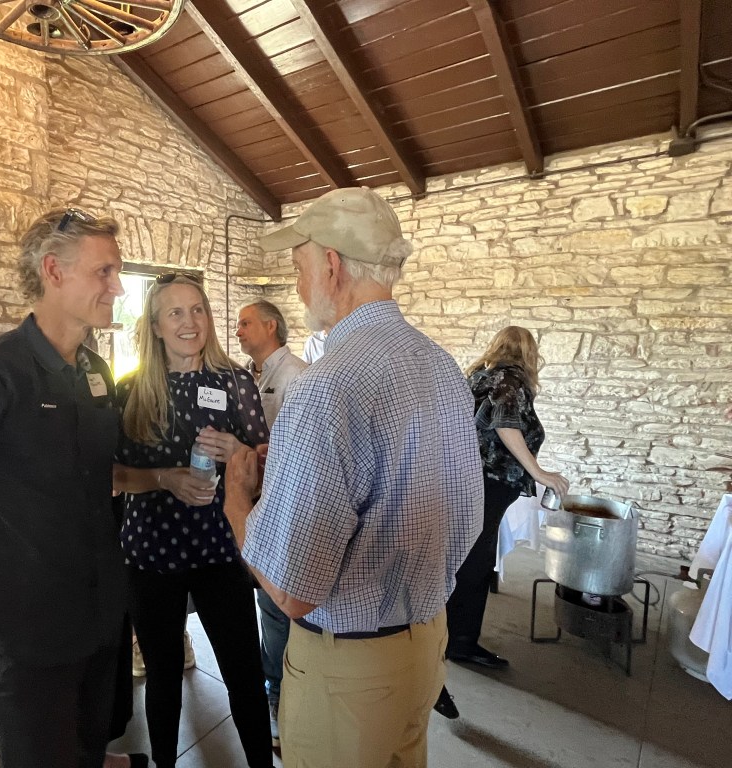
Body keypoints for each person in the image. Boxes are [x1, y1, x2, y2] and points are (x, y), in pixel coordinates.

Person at [224, 187, 484, 768]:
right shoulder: (440, 364)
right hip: (424, 647)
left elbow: (291, 592)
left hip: (350, 675)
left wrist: (238, 505)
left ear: (331, 265)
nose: (298, 286)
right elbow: (465, 519)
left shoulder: (324, 385)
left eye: (299, 268)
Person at [0, 207, 145, 768]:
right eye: (105, 271)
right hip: (26, 638)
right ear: (53, 271)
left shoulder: (95, 372)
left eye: (117, 272)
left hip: (99, 619)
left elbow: (98, 479)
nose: (118, 287)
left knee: (89, 751)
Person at [112, 274, 273, 768]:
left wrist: (240, 450)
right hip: (151, 551)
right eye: (176, 312)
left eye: (198, 309)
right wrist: (164, 479)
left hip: (220, 547)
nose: (190, 322)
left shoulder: (235, 382)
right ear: (155, 326)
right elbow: (113, 475)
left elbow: (268, 464)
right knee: (163, 676)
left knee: (244, 673)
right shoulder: (131, 389)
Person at [445, 327, 570, 668]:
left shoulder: (482, 376)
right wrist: (539, 472)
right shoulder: (509, 379)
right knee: (476, 561)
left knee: (471, 556)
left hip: (471, 477)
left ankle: (449, 635)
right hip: (491, 479)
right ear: (528, 353)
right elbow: (505, 424)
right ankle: (460, 642)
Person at [235, 299, 306, 747]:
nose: (237, 330)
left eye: (245, 322)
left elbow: (301, 446)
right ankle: (272, 686)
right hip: (250, 502)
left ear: (271, 326)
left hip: (280, 507)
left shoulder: (298, 376)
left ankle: (280, 699)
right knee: (264, 607)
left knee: (278, 611)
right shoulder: (243, 377)